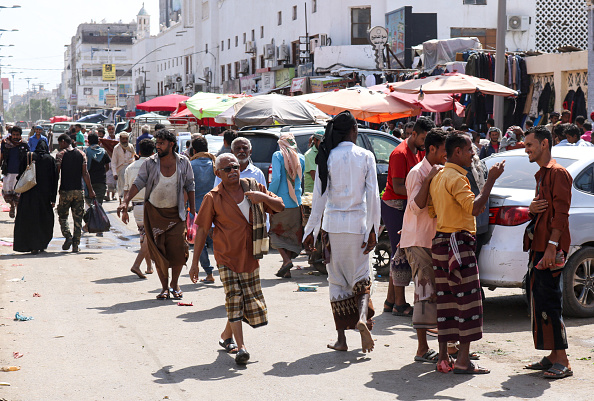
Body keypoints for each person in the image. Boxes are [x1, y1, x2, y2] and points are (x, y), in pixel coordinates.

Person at [190, 153, 284, 365]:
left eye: (235, 167)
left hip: (250, 255)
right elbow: (202, 230)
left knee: (243, 300)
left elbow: (279, 206)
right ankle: (241, 347)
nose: (233, 171)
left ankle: (226, 336)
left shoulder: (253, 187)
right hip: (226, 256)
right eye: (227, 169)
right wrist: (195, 263)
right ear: (218, 174)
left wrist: (264, 198)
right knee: (234, 298)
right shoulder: (212, 198)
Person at [303, 110, 380, 353]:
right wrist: (373, 230)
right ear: (354, 131)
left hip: (333, 227)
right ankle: (360, 318)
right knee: (361, 277)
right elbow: (373, 197)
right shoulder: (366, 155)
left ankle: (341, 339)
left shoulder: (327, 156)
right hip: (358, 225)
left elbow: (319, 199)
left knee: (336, 281)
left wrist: (310, 232)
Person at [428, 132, 504, 374]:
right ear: (457, 152)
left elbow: (432, 211)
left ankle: (443, 359)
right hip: (457, 243)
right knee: (468, 303)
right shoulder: (457, 178)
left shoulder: (439, 176)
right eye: (470, 150)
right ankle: (462, 361)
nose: (473, 154)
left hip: (441, 242)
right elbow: (474, 208)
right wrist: (490, 180)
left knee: (446, 302)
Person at [117, 129, 195, 300]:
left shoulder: (183, 162)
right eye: (157, 143)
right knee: (158, 252)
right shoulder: (150, 163)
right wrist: (125, 201)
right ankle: (165, 288)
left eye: (161, 143)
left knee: (178, 252)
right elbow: (138, 182)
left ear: (171, 144)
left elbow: (190, 185)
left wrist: (193, 211)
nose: (157, 146)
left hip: (177, 214)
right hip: (154, 214)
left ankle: (175, 285)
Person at [523, 126, 573, 379]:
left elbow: (562, 214)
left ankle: (563, 359)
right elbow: (541, 211)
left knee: (551, 302)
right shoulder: (541, 174)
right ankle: (552, 355)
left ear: (544, 144)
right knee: (540, 300)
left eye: (529, 145)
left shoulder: (558, 173)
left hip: (551, 248)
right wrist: (531, 209)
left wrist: (553, 246)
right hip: (539, 246)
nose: (526, 149)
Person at [399, 128, 447, 363]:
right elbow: (416, 207)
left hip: (434, 239)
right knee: (424, 292)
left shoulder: (443, 170)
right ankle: (421, 348)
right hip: (418, 240)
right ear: (432, 150)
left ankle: (446, 347)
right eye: (444, 151)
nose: (446, 156)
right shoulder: (417, 173)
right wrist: (429, 179)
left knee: (437, 294)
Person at [382, 116, 434, 317]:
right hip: (394, 204)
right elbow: (397, 186)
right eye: (423, 138)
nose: (426, 143)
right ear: (413, 134)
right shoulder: (399, 153)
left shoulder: (418, 151)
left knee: (401, 251)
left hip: (407, 204)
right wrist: (422, 194)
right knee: (400, 253)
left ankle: (390, 301)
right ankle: (400, 304)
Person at [268, 132, 305, 278]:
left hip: (280, 202)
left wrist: (269, 195)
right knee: (290, 235)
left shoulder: (278, 156)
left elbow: (276, 178)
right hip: (296, 202)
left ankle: (286, 260)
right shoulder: (300, 157)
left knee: (275, 233)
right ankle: (286, 268)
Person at [13, 140, 58, 254]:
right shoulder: (50, 160)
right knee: (43, 219)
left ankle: (29, 245)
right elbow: (54, 180)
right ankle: (41, 244)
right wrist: (53, 198)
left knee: (28, 219)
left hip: (28, 194)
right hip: (45, 196)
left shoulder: (28, 156)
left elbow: (20, 175)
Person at [56, 134, 96, 253]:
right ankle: (75, 245)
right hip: (79, 190)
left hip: (65, 190)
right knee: (78, 219)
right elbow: (85, 173)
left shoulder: (61, 155)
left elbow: (56, 173)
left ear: (63, 142)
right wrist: (90, 190)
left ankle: (68, 236)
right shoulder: (81, 154)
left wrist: (53, 190)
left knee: (63, 216)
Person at [123, 138, 155, 279]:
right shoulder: (154, 166)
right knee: (150, 238)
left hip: (136, 207)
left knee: (144, 236)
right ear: (153, 151)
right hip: (151, 206)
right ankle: (137, 265)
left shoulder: (130, 167)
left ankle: (148, 266)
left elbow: (126, 191)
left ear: (139, 151)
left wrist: (124, 209)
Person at [189, 135, 217, 283]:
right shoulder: (215, 163)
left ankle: (209, 273)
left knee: (199, 242)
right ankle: (223, 268)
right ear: (207, 149)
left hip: (197, 209)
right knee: (217, 240)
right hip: (215, 208)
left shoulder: (190, 165)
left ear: (194, 150)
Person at [0, 126, 29, 218]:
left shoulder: (24, 144)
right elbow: (1, 156)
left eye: (17, 135)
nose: (15, 137)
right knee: (7, 194)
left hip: (20, 173)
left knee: (18, 195)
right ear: (11, 134)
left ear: (20, 135)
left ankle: (17, 212)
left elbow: (28, 158)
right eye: (14, 135)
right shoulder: (5, 144)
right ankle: (12, 206)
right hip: (8, 172)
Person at [84, 132, 111, 207]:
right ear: (99, 142)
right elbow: (108, 167)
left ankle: (91, 218)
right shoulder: (104, 152)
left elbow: (83, 168)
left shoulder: (86, 152)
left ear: (88, 142)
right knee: (98, 205)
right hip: (101, 181)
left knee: (89, 205)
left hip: (89, 182)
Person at [112, 132, 136, 200]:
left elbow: (133, 157)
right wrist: (114, 173)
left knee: (130, 186)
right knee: (121, 187)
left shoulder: (130, 147)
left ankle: (127, 202)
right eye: (123, 139)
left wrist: (131, 160)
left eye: (126, 139)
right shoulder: (116, 148)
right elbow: (113, 162)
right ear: (120, 139)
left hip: (130, 169)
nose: (125, 140)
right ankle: (121, 201)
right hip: (120, 169)